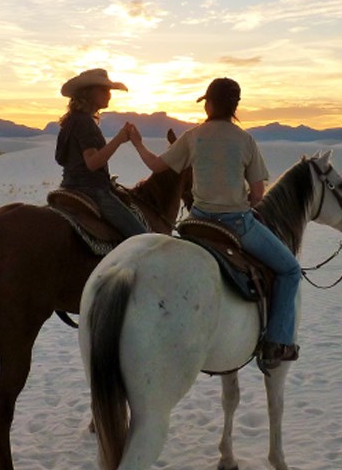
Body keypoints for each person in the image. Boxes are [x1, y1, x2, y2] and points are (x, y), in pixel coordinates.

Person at [129, 77, 302, 370]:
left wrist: (137, 143)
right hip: (237, 225)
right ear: (234, 107)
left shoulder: (193, 136)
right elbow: (258, 193)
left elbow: (156, 166)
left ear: (209, 104)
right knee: (290, 270)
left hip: (196, 222)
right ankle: (276, 342)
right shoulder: (245, 140)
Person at [55, 68, 147, 238]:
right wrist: (119, 138)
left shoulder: (70, 122)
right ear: (89, 93)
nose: (109, 95)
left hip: (68, 186)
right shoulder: (84, 123)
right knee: (142, 238)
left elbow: (61, 159)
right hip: (92, 191)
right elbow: (92, 163)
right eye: (104, 90)